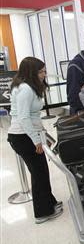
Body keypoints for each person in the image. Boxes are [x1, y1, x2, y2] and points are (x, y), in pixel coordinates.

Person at [8, 57, 63, 224]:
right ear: (31, 72)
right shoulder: (25, 89)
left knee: (41, 171)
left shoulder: (26, 86)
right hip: (23, 136)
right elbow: (24, 118)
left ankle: (49, 202)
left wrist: (41, 133)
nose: (44, 74)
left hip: (28, 134)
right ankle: (42, 213)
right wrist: (36, 140)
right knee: (39, 174)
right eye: (41, 71)